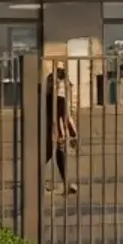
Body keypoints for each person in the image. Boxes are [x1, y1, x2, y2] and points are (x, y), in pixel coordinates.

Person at [43, 62, 78, 195]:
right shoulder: (61, 97)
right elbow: (65, 116)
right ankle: (34, 182)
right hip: (54, 130)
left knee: (56, 154)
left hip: (49, 129)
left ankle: (65, 183)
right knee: (48, 155)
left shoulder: (51, 85)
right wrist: (73, 134)